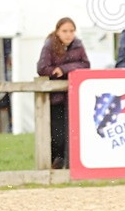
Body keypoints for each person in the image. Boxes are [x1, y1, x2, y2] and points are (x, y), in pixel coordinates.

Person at [36, 17, 91, 168]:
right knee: (57, 134)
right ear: (58, 31)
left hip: (73, 98)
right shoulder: (49, 46)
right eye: (65, 31)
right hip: (55, 98)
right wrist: (57, 72)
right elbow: (42, 68)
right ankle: (56, 162)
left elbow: (86, 65)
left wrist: (64, 69)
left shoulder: (78, 46)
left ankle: (69, 165)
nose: (68, 34)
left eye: (71, 31)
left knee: (72, 133)